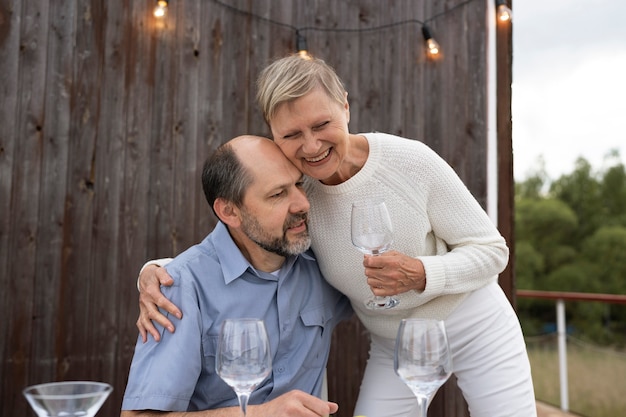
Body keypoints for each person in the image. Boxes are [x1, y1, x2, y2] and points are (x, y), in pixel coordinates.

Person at [137, 55, 537, 417]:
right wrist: (158, 271)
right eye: (291, 135)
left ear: (345, 106)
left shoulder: (409, 162)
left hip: (475, 324)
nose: (311, 146)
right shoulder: (299, 190)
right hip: (393, 342)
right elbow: (245, 238)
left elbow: (492, 250)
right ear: (273, 132)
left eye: (322, 124)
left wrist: (421, 274)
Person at [121, 135, 352, 417]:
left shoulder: (323, 260)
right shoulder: (180, 288)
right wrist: (261, 414)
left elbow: (389, 298)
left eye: (299, 184)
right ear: (229, 211)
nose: (302, 203)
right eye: (278, 194)